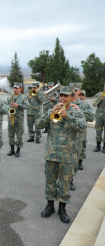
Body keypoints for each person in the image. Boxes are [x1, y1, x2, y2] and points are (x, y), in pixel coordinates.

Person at [36, 86, 86, 223]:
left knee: (64, 183)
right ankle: (50, 205)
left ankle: (62, 208)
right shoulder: (52, 110)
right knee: (50, 182)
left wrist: (67, 116)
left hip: (68, 155)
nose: (63, 98)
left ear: (72, 98)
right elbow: (38, 124)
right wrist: (50, 113)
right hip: (51, 154)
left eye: (66, 96)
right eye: (61, 96)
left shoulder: (76, 112)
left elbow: (82, 127)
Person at [69, 83, 94, 190]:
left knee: (74, 159)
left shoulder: (83, 104)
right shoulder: (63, 102)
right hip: (65, 137)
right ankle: (61, 180)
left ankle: (70, 180)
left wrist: (79, 110)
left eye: (76, 90)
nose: (74, 92)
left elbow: (91, 117)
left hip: (78, 136)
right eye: (72, 90)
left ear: (79, 92)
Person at [6, 82, 30, 157]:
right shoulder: (10, 98)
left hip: (19, 120)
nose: (15, 89)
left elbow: (28, 106)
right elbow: (6, 108)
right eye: (14, 88)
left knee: (19, 135)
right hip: (11, 119)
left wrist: (18, 105)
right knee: (10, 135)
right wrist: (8, 113)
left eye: (17, 88)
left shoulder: (23, 97)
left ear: (20, 89)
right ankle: (12, 149)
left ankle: (18, 150)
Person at [93, 83, 105, 153]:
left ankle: (104, 147)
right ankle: (98, 146)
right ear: (103, 87)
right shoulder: (98, 94)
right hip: (99, 117)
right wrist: (100, 98)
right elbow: (94, 104)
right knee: (98, 132)